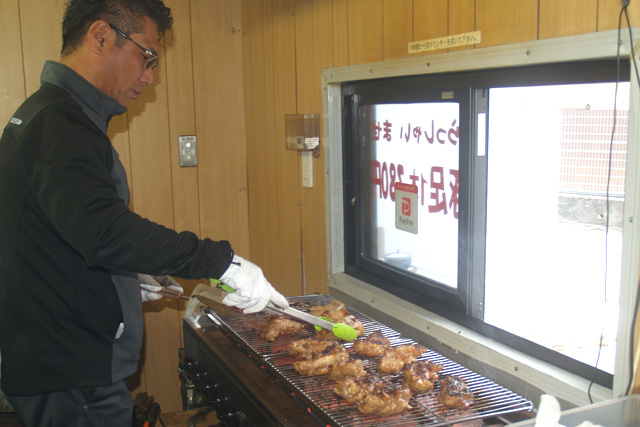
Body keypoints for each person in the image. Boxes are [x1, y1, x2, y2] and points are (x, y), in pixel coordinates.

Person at [0, 1, 288, 426]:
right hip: (71, 371)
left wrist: (123, 280)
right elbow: (104, 232)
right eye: (147, 55)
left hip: (59, 358)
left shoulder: (52, 115)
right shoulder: (60, 124)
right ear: (100, 36)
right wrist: (222, 263)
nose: (150, 76)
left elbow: (57, 234)